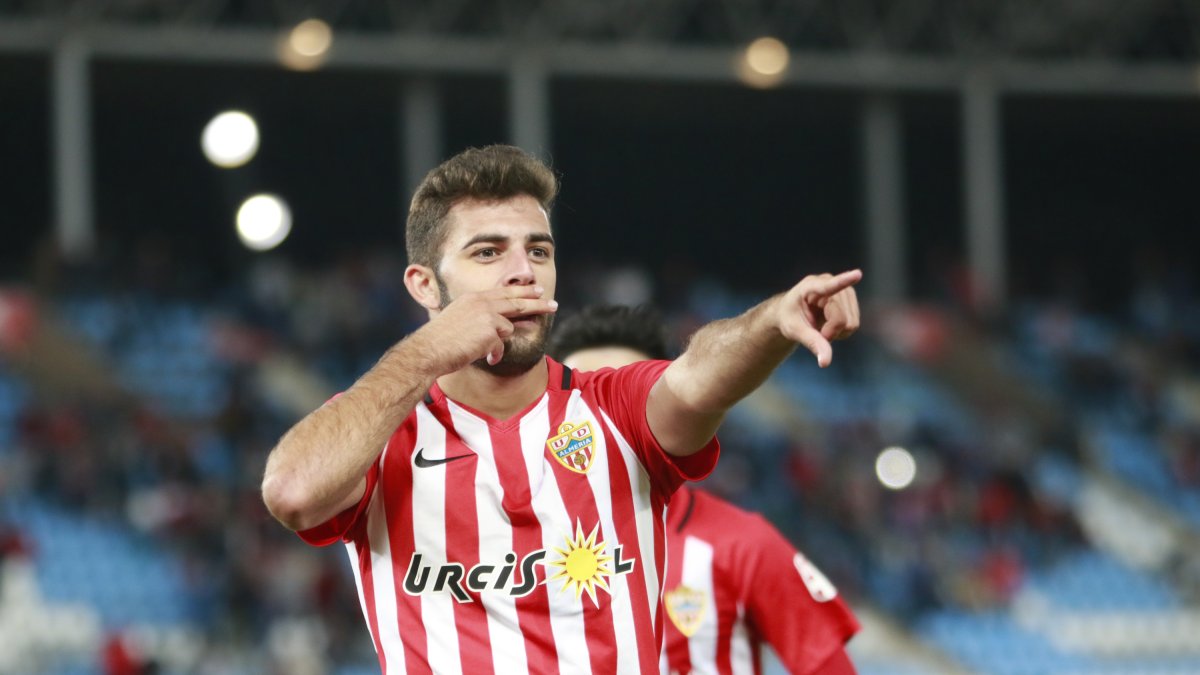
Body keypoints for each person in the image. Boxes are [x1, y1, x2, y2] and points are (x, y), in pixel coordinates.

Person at [261, 145, 862, 675]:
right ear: (424, 285)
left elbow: (700, 376)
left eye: (538, 251)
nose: (523, 272)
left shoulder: (617, 409)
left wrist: (773, 320)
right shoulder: (382, 429)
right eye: (488, 253)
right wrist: (425, 352)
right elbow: (292, 492)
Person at [549, 305, 860, 675]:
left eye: (623, 397)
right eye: (589, 401)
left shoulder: (741, 544)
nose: (607, 419)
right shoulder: (516, 549)